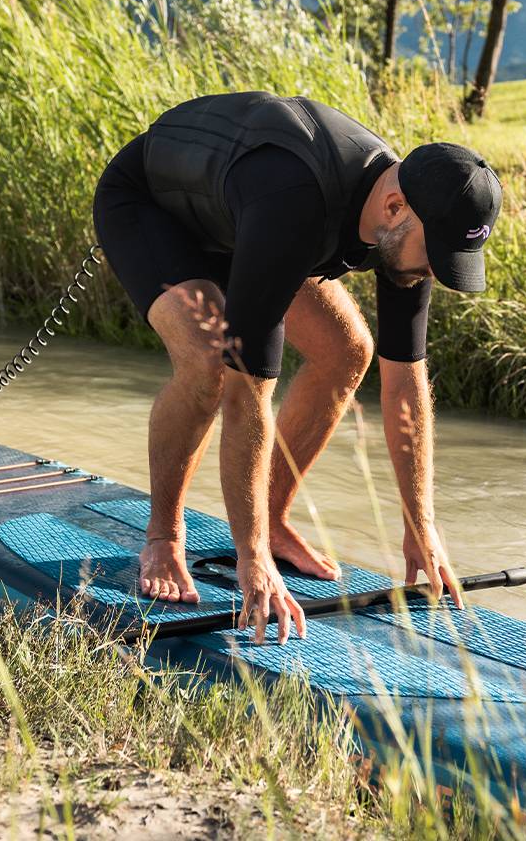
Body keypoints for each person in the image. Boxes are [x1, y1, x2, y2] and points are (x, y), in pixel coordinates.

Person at [93, 91, 502, 646]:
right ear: (394, 207)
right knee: (211, 364)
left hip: (243, 219)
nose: (435, 270)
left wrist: (420, 524)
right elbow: (247, 398)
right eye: (436, 255)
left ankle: (275, 515)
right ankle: (164, 534)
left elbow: (405, 380)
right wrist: (251, 557)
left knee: (347, 351)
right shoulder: (295, 203)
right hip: (154, 210)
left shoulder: (412, 219)